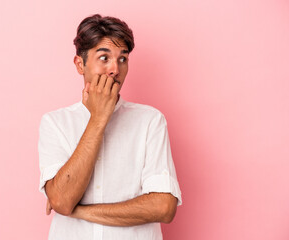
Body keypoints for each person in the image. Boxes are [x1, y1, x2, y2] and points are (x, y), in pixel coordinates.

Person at [38, 14, 182, 240]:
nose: (115, 69)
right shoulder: (55, 123)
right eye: (104, 58)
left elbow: (163, 207)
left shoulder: (150, 121)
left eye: (122, 59)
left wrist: (79, 211)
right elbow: (61, 200)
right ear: (80, 64)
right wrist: (98, 119)